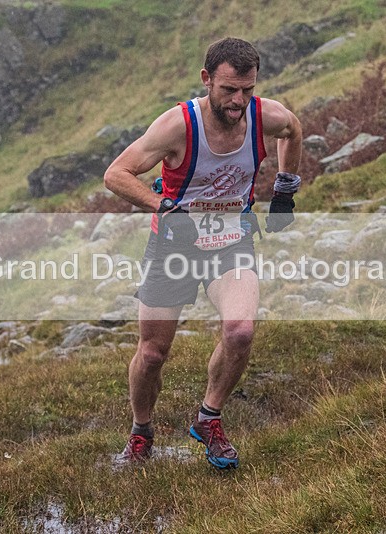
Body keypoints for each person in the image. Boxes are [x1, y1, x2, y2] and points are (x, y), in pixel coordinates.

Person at [104, 37, 302, 469]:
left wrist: (286, 187)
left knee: (241, 332)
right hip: (174, 243)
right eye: (229, 89)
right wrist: (161, 206)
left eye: (248, 89)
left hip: (231, 240)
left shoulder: (264, 115)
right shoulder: (177, 126)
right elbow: (116, 173)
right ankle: (141, 433)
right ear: (206, 79)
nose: (239, 100)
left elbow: (292, 129)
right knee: (153, 353)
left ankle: (209, 419)